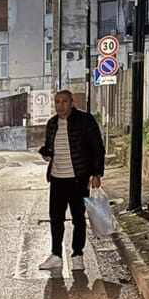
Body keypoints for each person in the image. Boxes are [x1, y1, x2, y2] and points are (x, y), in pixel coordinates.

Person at [37, 90, 105, 272]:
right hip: (57, 179)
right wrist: (46, 153)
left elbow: (97, 147)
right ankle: (56, 255)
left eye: (65, 101)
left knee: (78, 218)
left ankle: (77, 255)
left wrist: (97, 173)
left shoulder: (85, 120)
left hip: (78, 178)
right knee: (56, 219)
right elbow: (50, 147)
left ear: (72, 102)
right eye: (57, 102)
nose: (61, 105)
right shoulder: (52, 124)